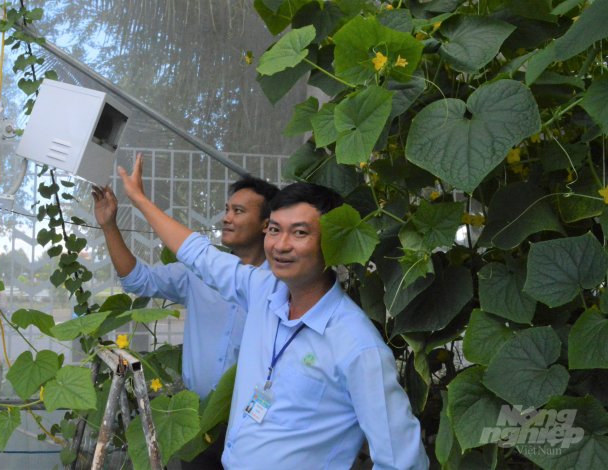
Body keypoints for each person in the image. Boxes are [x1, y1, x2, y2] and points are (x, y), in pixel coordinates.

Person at [114, 154, 429, 470]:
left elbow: (403, 461)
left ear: (333, 241)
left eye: (300, 232)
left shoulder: (358, 346)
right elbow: (199, 255)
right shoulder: (263, 290)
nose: (281, 245)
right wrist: (139, 200)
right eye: (275, 230)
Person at [91, 161, 278, 470]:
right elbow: (138, 280)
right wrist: (109, 225)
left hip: (255, 425)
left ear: (265, 224)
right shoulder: (199, 273)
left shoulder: (280, 286)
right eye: (227, 209)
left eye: (239, 212)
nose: (226, 218)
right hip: (197, 421)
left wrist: (139, 198)